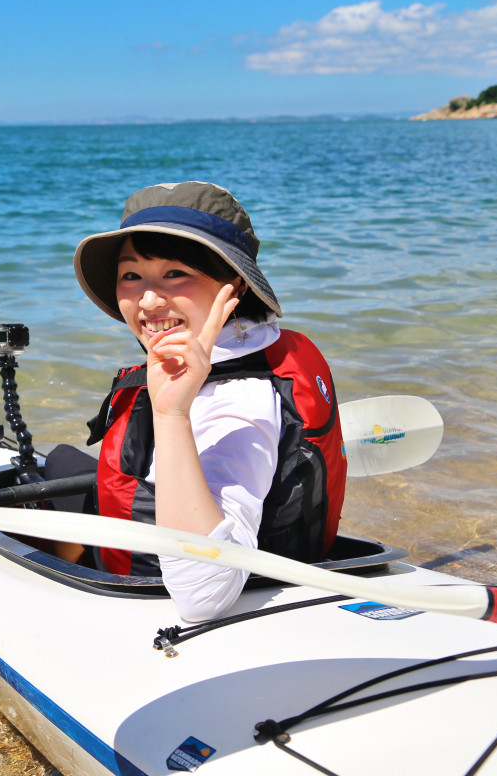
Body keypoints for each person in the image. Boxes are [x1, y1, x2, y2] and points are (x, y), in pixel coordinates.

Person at [47, 181, 346, 621]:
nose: (147, 300)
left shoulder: (236, 400)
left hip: (156, 591)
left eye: (174, 274)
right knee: (64, 464)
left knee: (56, 474)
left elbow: (204, 596)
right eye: (131, 276)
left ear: (234, 285)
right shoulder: (255, 348)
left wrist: (171, 413)